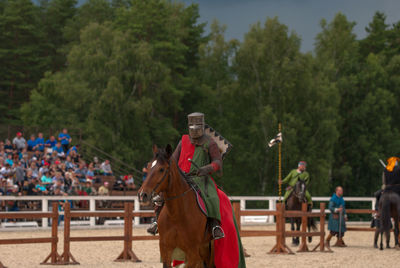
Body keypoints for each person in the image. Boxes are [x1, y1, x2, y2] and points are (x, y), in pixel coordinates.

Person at [147, 112, 224, 239]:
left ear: (202, 127)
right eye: (192, 128)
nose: (194, 132)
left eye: (197, 128)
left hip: (201, 178)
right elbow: (173, 159)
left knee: (212, 196)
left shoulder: (210, 143)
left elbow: (218, 161)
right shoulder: (183, 141)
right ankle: (156, 221)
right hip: (182, 177)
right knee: (161, 195)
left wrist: (207, 168)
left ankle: (214, 225)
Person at [371, 157, 400, 227]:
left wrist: (385, 186)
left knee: (378, 195)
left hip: (387, 189)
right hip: (398, 189)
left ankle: (378, 211)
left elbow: (383, 181)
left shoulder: (386, 169)